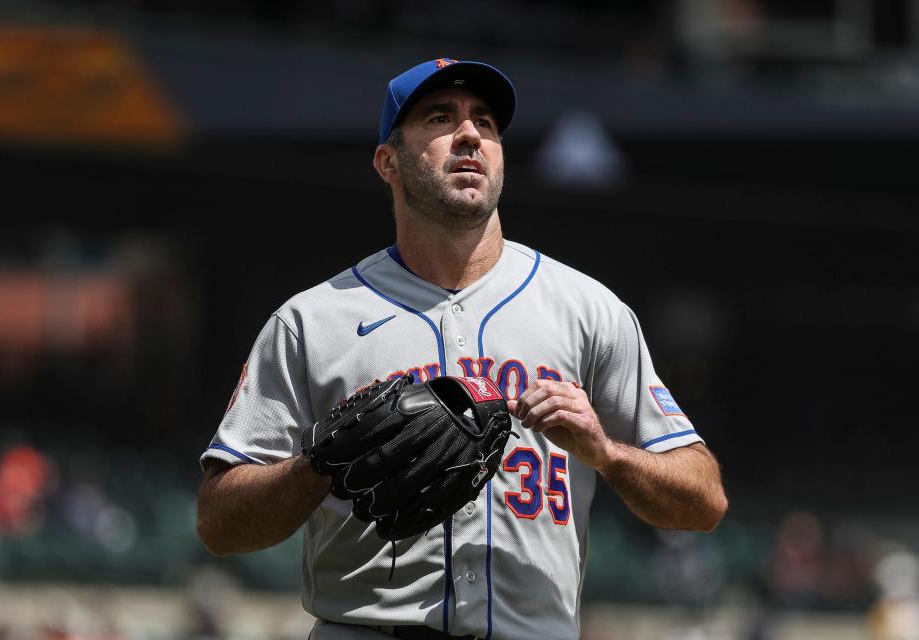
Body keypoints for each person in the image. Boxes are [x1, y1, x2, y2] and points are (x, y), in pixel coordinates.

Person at [196, 58, 728, 640]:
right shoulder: (312, 320)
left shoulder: (589, 310)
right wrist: (322, 465)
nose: (471, 134)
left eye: (486, 122)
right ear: (388, 162)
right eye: (441, 118)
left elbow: (702, 502)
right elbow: (220, 523)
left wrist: (606, 453)